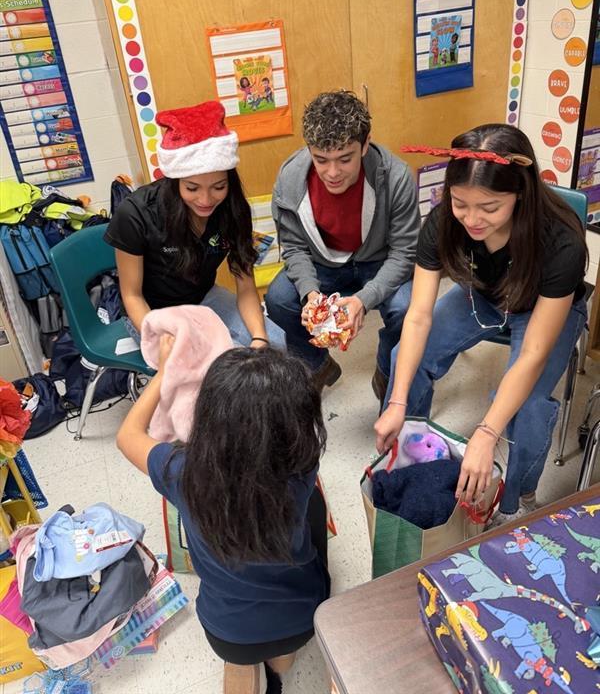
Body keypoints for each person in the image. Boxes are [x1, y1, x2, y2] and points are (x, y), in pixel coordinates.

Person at [374, 124, 588, 526]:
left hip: (545, 308)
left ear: (520, 194)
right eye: (460, 203)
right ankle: (411, 456)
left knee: (527, 406)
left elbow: (534, 352)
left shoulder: (561, 243)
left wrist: (486, 433)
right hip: (486, 295)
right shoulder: (444, 221)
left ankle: (515, 500)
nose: (472, 219)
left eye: (489, 208)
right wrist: (398, 402)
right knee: (407, 354)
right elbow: (418, 315)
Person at [116, 340, 330, 694]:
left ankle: (248, 668)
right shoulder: (301, 469)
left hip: (225, 633)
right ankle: (277, 666)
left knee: (242, 660)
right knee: (316, 508)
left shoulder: (180, 471)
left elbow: (127, 437)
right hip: (300, 622)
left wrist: (165, 368)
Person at [265, 91, 420, 399]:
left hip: (379, 260)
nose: (332, 173)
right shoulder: (290, 178)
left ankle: (387, 372)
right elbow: (294, 247)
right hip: (323, 264)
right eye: (321, 160)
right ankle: (318, 365)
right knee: (279, 299)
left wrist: (364, 299)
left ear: (365, 145)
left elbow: (405, 252)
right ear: (309, 149)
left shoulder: (396, 176)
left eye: (344, 159)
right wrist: (311, 294)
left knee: (408, 309)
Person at [105, 100, 285, 350]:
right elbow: (132, 296)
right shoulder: (136, 214)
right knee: (225, 365)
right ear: (175, 181)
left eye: (218, 187)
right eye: (192, 188)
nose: (206, 200)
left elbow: (245, 286)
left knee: (275, 345)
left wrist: (259, 338)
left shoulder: (232, 209)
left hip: (203, 297)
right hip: (152, 312)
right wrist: (160, 339)